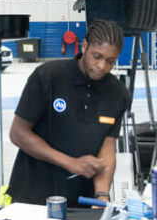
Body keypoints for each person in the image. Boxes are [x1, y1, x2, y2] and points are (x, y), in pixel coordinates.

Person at [7, 19, 130, 207]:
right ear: (85, 46)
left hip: (80, 201)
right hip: (32, 197)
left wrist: (102, 195)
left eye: (110, 61)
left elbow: (107, 146)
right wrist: (70, 162)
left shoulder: (118, 93)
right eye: (97, 56)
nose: (102, 66)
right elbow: (18, 133)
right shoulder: (48, 76)